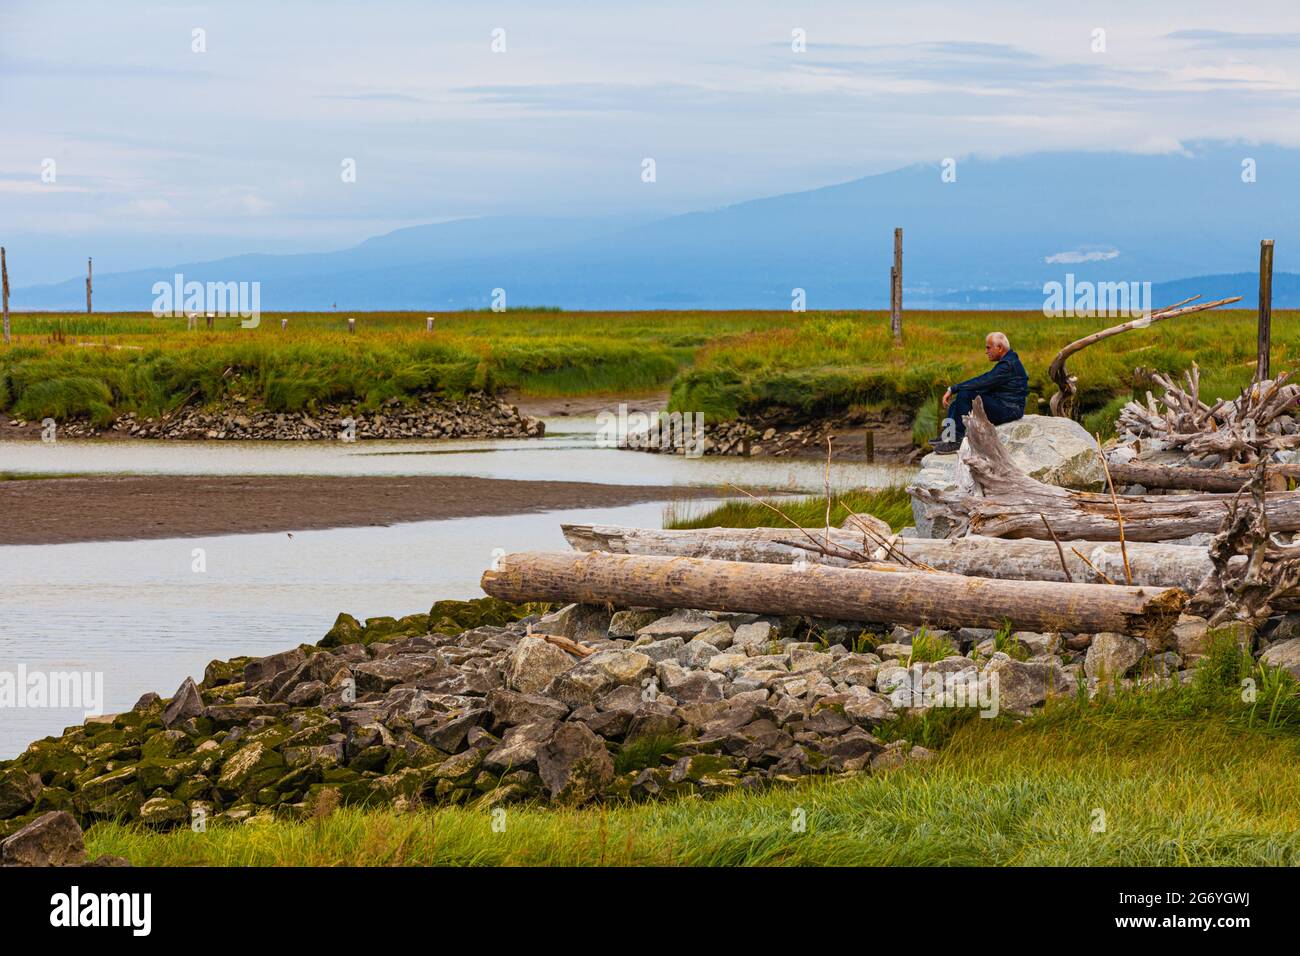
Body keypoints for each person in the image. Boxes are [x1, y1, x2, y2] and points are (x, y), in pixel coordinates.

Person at [930, 332, 1027, 453]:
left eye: (988, 347)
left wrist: (954, 388)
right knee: (957, 402)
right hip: (1004, 405)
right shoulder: (1008, 361)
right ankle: (948, 436)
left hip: (1010, 409)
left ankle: (956, 442)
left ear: (1000, 348)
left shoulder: (1008, 365)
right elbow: (986, 383)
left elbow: (984, 381)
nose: (986, 351)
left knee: (964, 394)